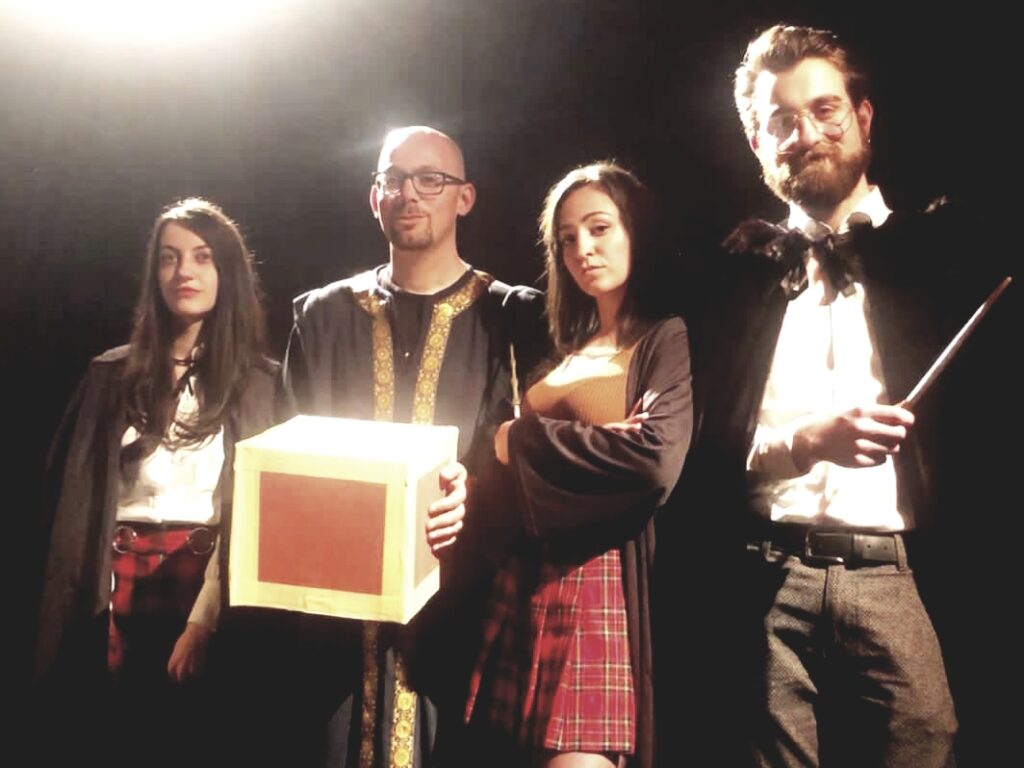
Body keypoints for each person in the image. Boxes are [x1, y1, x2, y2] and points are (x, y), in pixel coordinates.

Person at [674, 23, 1013, 767]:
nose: (805, 134)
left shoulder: (948, 256)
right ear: (757, 143)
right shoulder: (733, 278)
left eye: (825, 109)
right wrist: (801, 444)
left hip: (907, 577)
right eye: (780, 121)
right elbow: (691, 446)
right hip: (761, 578)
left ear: (862, 116)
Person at [280, 125, 548, 767]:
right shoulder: (323, 317)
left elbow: (539, 459)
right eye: (393, 179)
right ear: (374, 197)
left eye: (431, 180)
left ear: (465, 197)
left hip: (468, 608)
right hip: (338, 622)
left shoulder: (515, 318)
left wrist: (476, 493)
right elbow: (289, 463)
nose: (410, 194)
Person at [32, 198, 277, 766]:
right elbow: (70, 513)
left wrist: (204, 620)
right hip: (115, 586)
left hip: (206, 586)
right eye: (169, 258)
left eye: (201, 256)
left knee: (200, 740)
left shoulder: (261, 385)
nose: (183, 271)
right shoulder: (109, 376)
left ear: (227, 272)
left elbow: (257, 517)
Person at [464, 162, 693, 768]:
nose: (582, 250)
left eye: (599, 228)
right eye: (567, 239)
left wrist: (522, 440)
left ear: (636, 228)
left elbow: (652, 460)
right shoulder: (568, 347)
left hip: (597, 582)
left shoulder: (663, 336)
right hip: (526, 580)